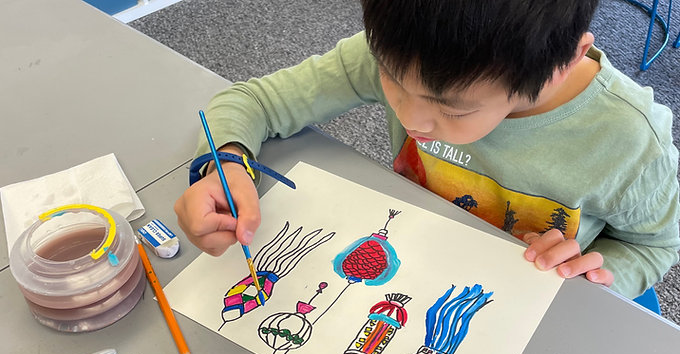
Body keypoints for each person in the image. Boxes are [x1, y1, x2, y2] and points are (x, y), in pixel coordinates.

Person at [174, 0, 680, 299]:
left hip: (515, 300)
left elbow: (655, 247)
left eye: (453, 110)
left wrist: (594, 273)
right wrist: (227, 163)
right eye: (391, 79)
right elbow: (255, 101)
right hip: (412, 257)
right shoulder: (405, 51)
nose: (412, 120)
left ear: (561, 65)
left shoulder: (632, 143)